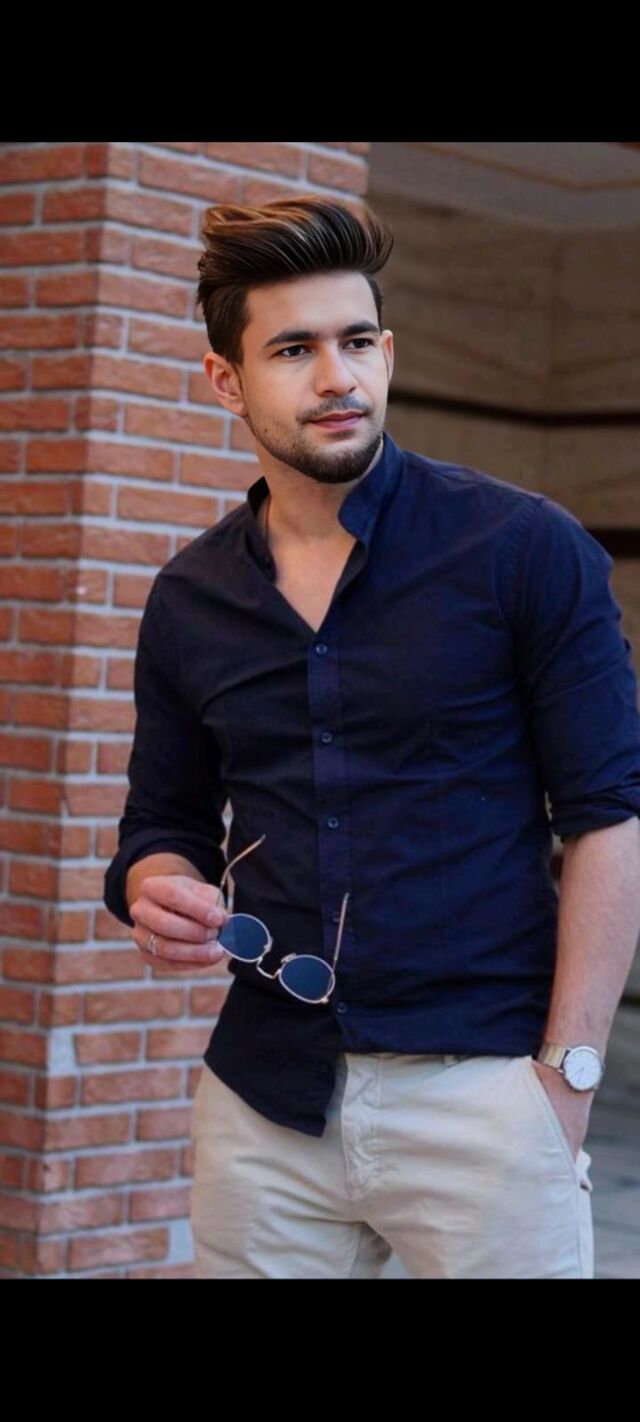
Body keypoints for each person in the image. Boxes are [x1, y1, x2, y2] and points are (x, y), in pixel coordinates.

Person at [103, 194, 640, 1279]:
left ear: (387, 353)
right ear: (225, 380)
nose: (337, 376)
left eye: (356, 342)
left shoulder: (525, 550)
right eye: (293, 349)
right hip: (265, 1108)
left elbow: (608, 817)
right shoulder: (190, 598)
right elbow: (161, 827)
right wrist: (158, 888)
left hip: (486, 1100)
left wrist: (566, 1082)